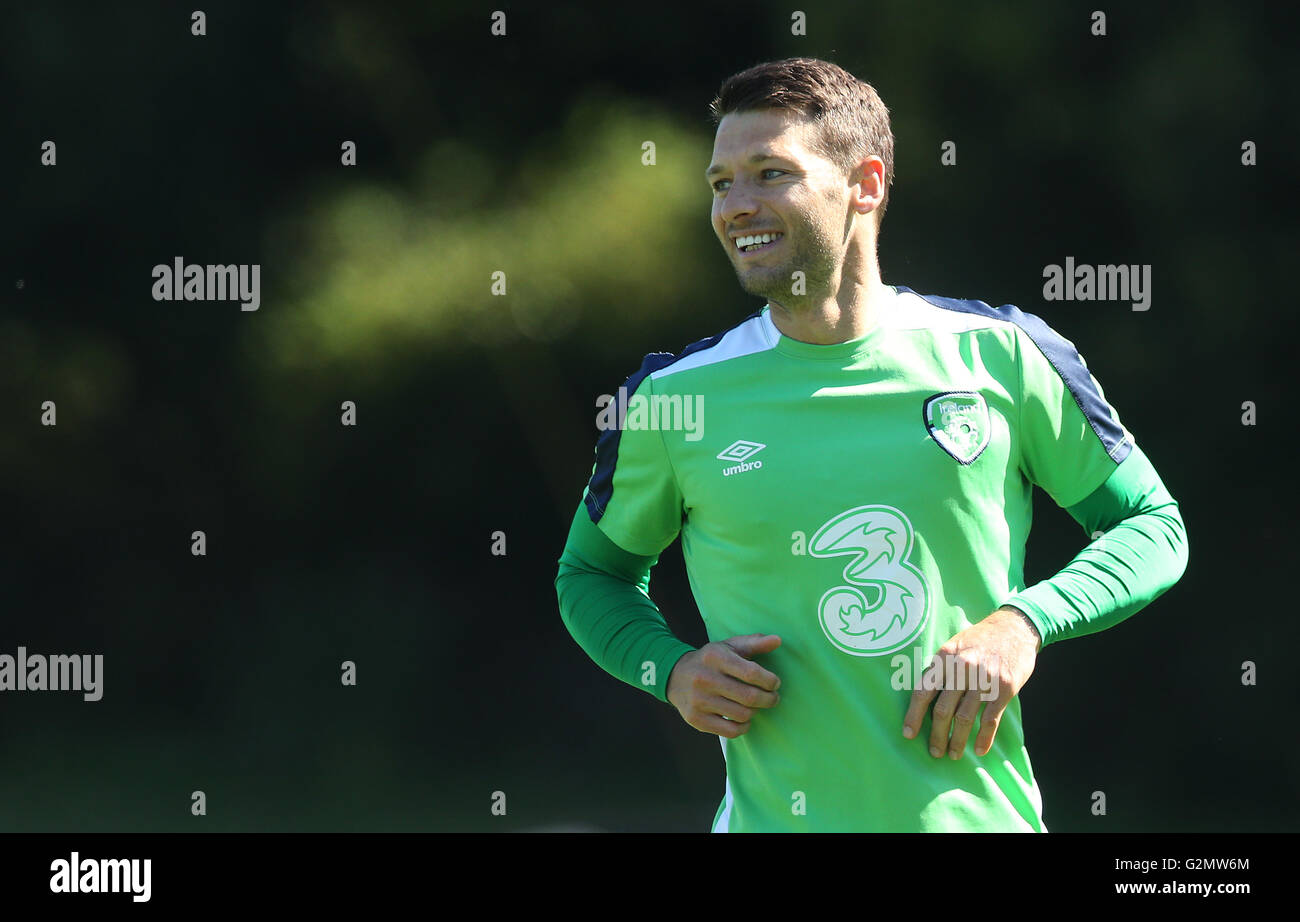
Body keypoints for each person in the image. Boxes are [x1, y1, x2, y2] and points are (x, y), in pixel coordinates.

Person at [554, 56, 1187, 832]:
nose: (735, 207)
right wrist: (672, 668)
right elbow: (592, 574)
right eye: (722, 183)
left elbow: (1151, 526)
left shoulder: (1007, 355)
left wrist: (1023, 623)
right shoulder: (672, 397)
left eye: (769, 173)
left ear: (865, 184)